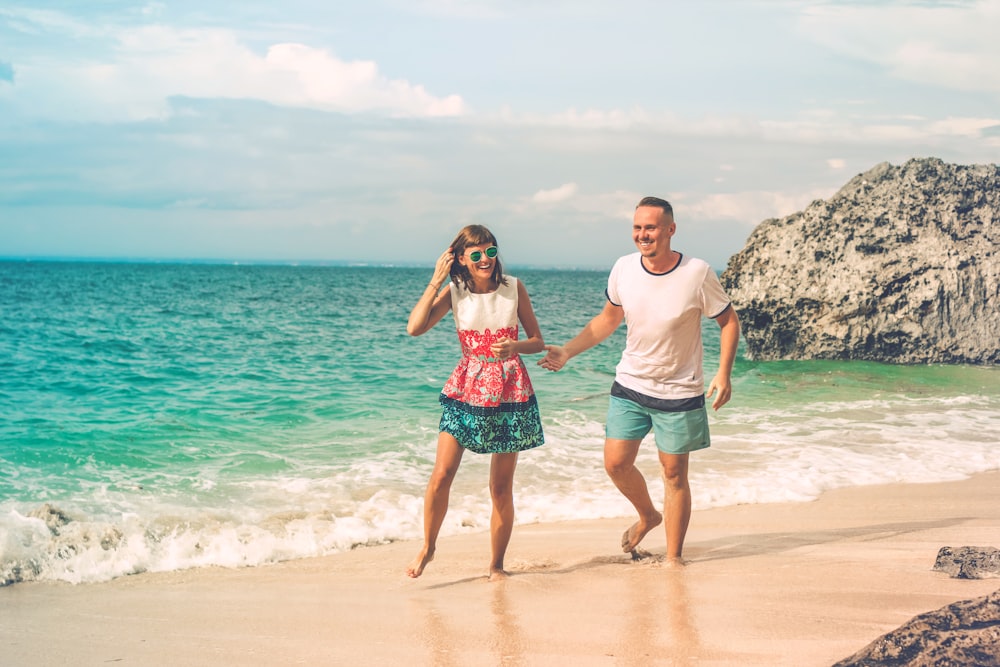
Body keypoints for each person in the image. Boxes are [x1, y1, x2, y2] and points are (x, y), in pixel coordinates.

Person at [538, 196, 740, 565]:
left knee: (674, 474)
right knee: (615, 463)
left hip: (680, 390)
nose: (642, 235)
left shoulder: (697, 272)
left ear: (670, 230)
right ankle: (648, 515)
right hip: (631, 384)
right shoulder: (624, 268)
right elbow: (607, 320)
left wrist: (723, 373)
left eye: (650, 227)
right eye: (637, 227)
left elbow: (729, 321)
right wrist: (568, 351)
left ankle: (674, 558)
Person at [406, 224, 545, 581]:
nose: (486, 259)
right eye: (477, 254)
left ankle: (497, 565)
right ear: (462, 260)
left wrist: (515, 347)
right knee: (441, 475)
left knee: (500, 487)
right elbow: (415, 328)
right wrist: (435, 281)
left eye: (491, 251)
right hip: (466, 388)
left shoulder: (514, 288)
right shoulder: (455, 292)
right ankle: (429, 546)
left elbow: (537, 341)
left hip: (509, 390)